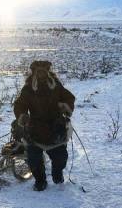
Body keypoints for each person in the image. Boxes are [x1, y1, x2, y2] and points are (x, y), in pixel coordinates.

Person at [13, 60, 75, 191]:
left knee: (61, 158)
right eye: (38, 71)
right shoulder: (28, 88)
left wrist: (65, 106)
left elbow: (69, 97)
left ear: (48, 71)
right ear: (34, 72)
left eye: (43, 71)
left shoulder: (56, 86)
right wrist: (22, 115)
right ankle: (40, 181)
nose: (41, 73)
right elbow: (20, 105)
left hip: (55, 129)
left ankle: (57, 175)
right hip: (35, 130)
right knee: (34, 159)